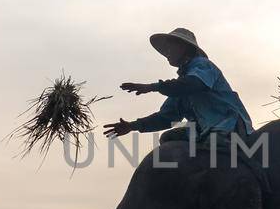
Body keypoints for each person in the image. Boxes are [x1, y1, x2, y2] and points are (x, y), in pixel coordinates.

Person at [101, 27, 254, 141]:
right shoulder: (181, 86)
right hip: (201, 132)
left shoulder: (203, 66)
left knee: (215, 146)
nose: (166, 52)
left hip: (228, 125)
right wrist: (132, 126)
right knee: (168, 138)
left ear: (184, 48)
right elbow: (166, 117)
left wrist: (152, 87)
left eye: (170, 47)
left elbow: (192, 84)